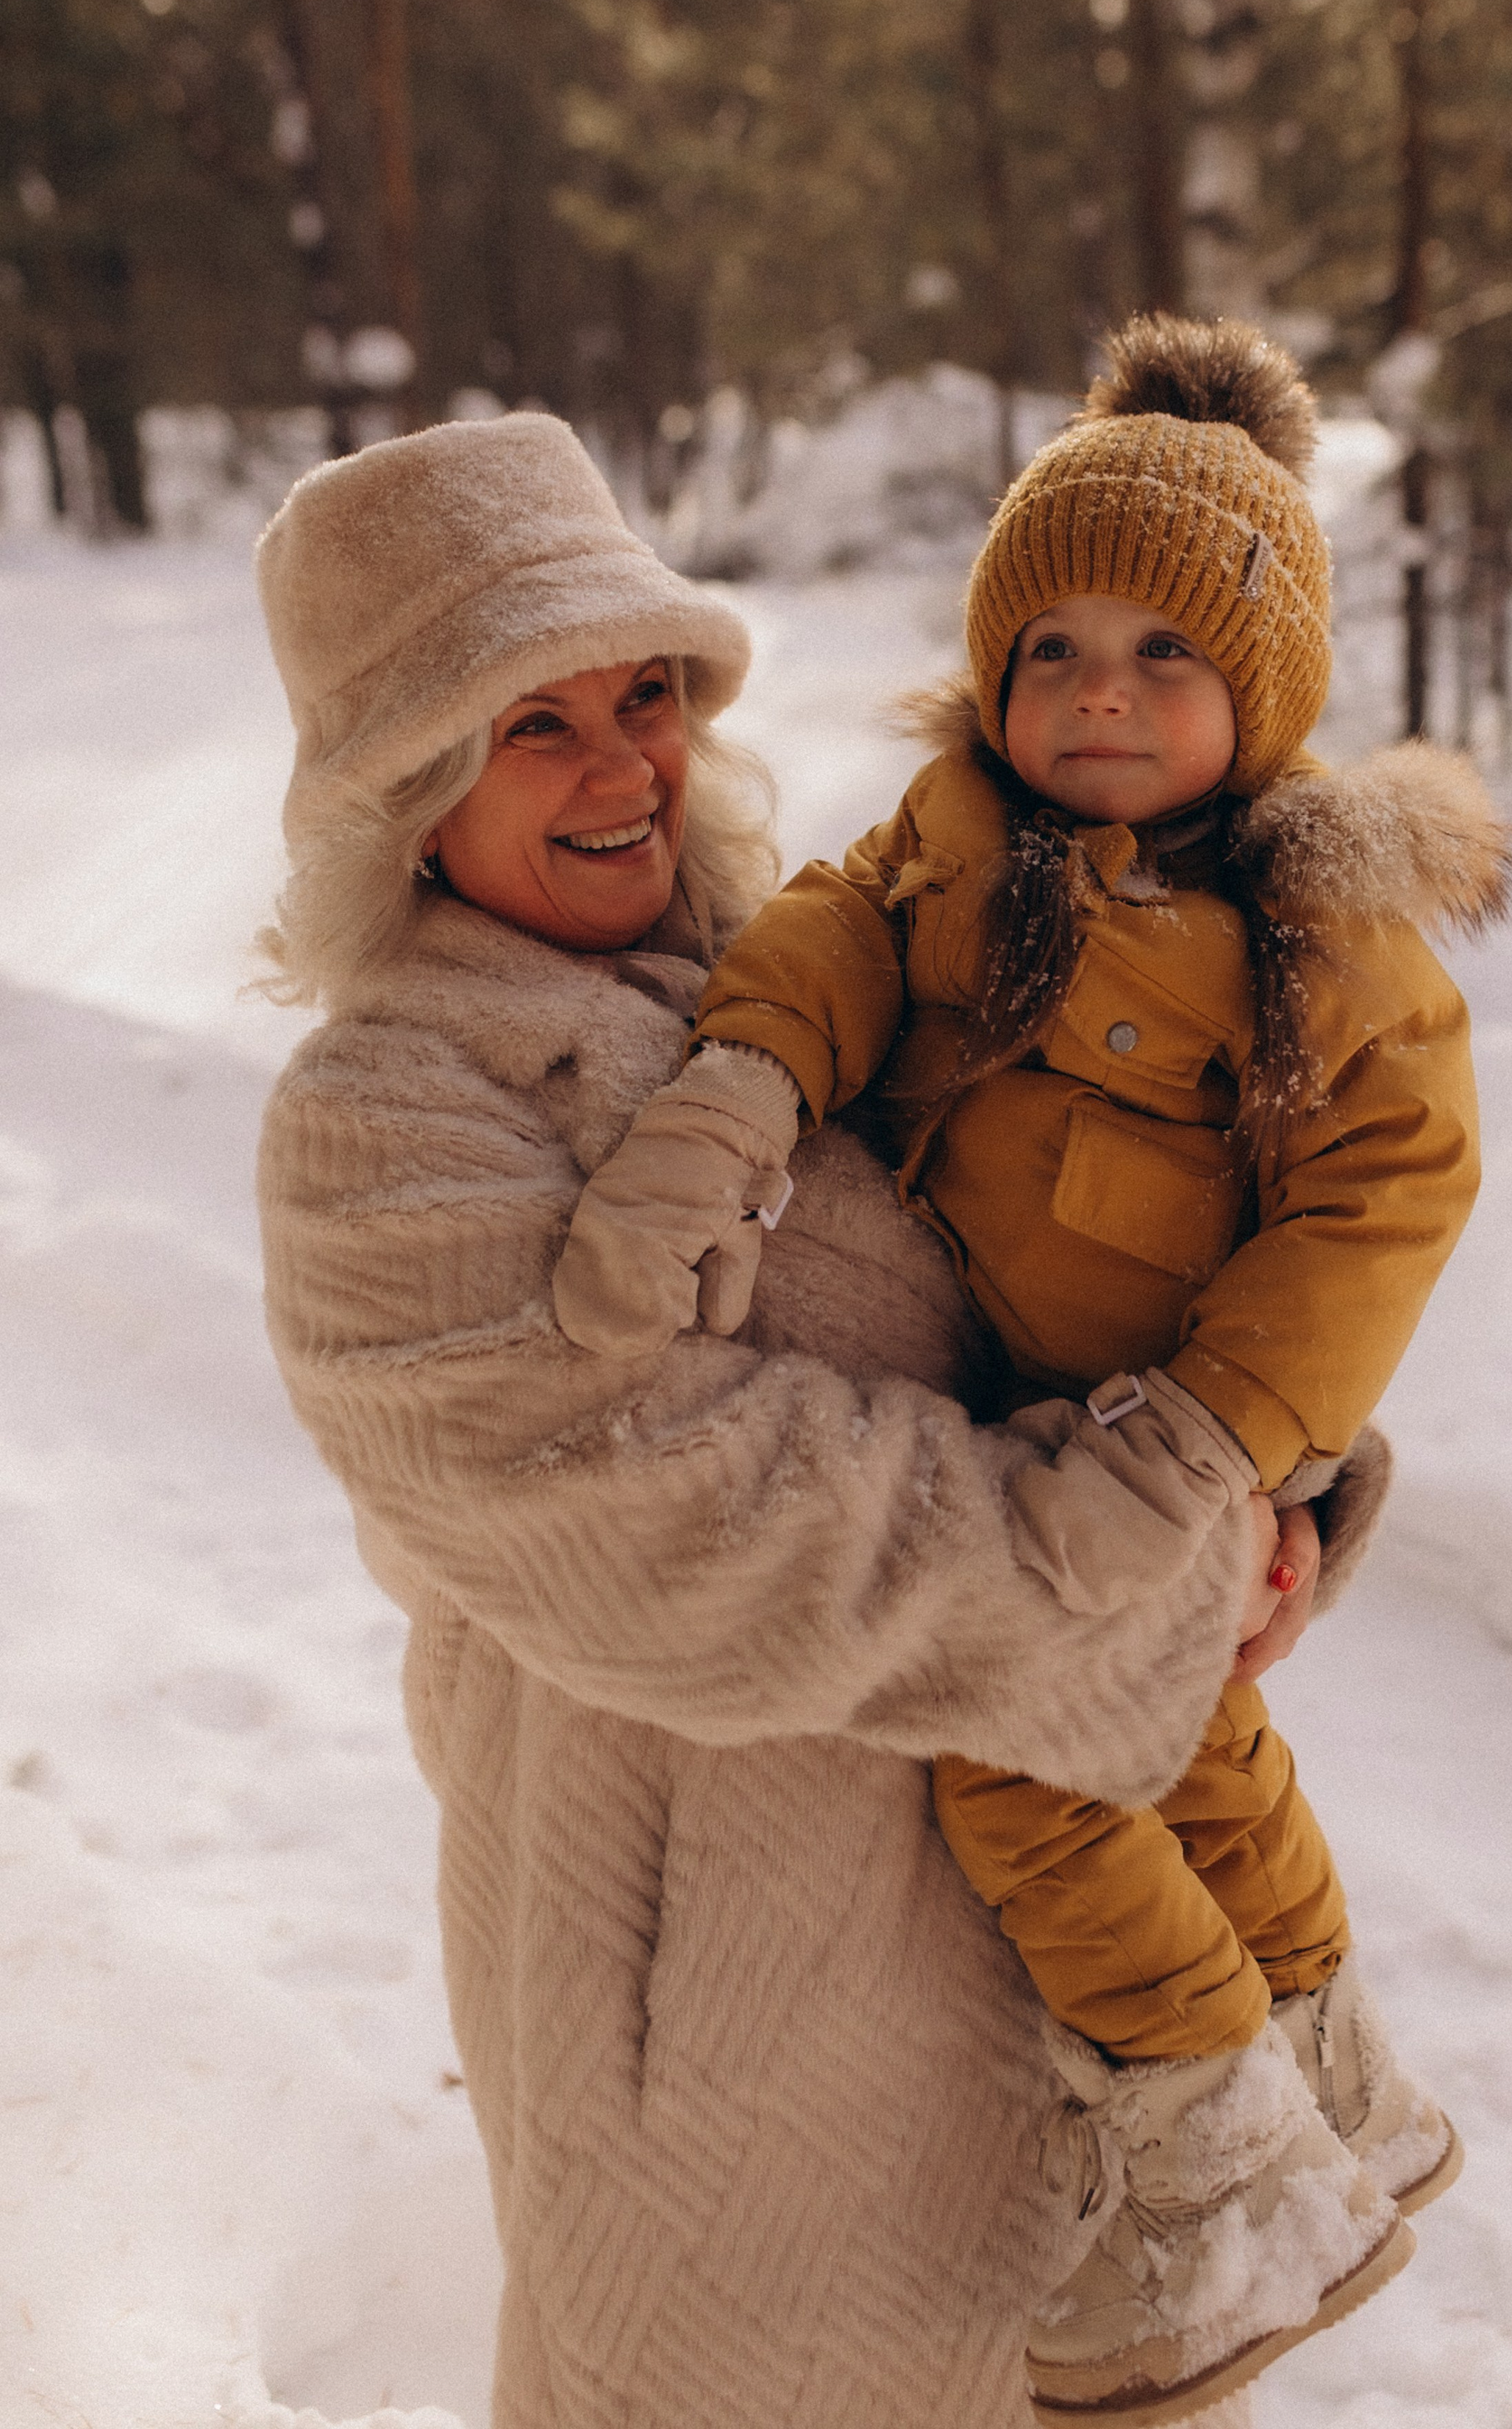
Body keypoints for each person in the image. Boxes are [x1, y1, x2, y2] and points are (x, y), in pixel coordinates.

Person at [251, 411, 1394, 2429]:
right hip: (724, 2036)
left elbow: (1105, 1228)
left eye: (644, 695)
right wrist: (1166, 1548)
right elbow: (702, 1526)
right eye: (534, 725)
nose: (624, 768)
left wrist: (1278, 1461)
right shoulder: (381, 1125)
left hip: (1032, 1932)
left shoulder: (813, 966)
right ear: (401, 785)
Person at [550, 318, 1512, 2421]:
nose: (1097, 693)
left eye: (1163, 660)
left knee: (1040, 1764)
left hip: (1147, 1446)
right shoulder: (949, 836)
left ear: (1259, 707)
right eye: (1052, 646)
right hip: (1016, 1430)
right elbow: (826, 929)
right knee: (1198, 1762)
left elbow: (1386, 1201)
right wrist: (742, 1079)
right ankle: (1337, 2082)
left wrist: (1231, 1443)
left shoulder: (1321, 946)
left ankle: (1210, 2150)